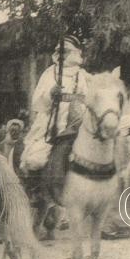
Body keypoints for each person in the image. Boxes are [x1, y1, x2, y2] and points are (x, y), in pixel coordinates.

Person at [20, 34, 89, 174]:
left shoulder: (81, 75)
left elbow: (87, 98)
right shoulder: (50, 73)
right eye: (61, 52)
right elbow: (37, 100)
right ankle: (35, 187)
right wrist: (51, 94)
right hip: (51, 120)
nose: (62, 55)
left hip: (76, 120)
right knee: (36, 158)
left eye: (66, 52)